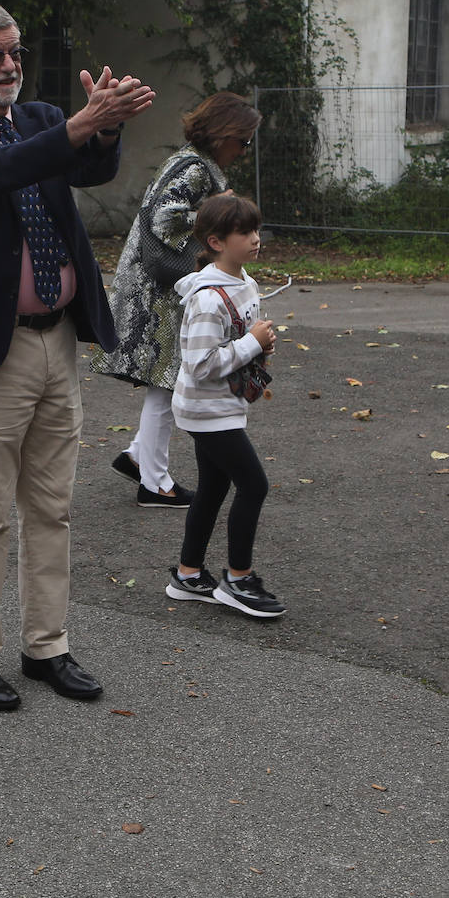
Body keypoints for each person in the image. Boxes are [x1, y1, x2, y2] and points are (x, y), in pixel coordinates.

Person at [0, 1, 151, 711]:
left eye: (15, 51)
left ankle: (46, 644)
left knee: (51, 506)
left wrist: (104, 122)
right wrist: (78, 127)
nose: (9, 66)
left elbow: (88, 168)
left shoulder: (45, 118)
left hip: (58, 335)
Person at [91, 91, 262, 508]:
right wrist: (217, 210)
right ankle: (154, 483)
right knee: (170, 384)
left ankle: (139, 458)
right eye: (243, 141)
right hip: (162, 292)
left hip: (160, 287)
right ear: (224, 134)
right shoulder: (194, 169)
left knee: (166, 382)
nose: (244, 150)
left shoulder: (192, 163)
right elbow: (166, 217)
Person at [166, 193, 284, 617]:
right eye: (245, 233)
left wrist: (256, 345)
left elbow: (236, 342)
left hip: (222, 406)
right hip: (207, 410)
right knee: (254, 485)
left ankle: (188, 573)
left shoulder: (244, 281)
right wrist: (252, 342)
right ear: (216, 241)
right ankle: (238, 579)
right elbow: (199, 365)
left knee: (214, 488)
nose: (255, 239)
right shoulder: (208, 298)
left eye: (256, 230)